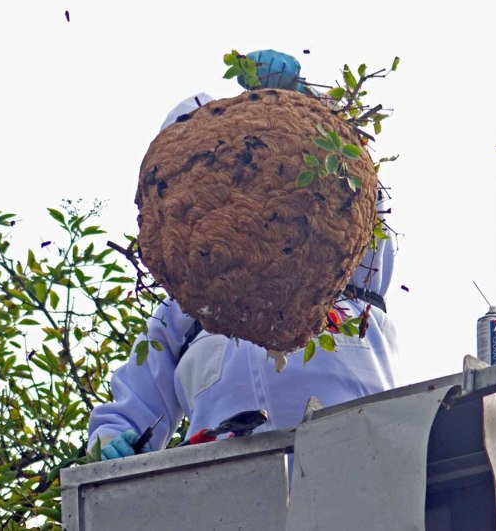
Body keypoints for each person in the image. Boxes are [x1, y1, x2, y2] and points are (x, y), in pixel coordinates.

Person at [88, 50, 400, 461]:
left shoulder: (337, 270)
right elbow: (131, 409)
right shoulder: (179, 318)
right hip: (230, 497)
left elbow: (357, 203)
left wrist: (310, 106)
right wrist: (109, 440)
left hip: (362, 469)